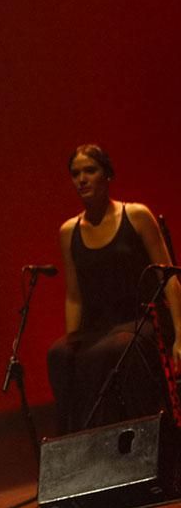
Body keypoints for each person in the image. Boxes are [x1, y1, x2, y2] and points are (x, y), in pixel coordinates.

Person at [47, 144, 181, 434]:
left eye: (90, 171)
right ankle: (80, 442)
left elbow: (168, 276)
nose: (81, 179)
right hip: (98, 326)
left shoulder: (136, 215)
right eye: (75, 173)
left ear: (107, 174)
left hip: (140, 319)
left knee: (117, 348)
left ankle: (143, 437)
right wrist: (73, 341)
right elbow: (74, 295)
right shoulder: (69, 231)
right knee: (59, 355)